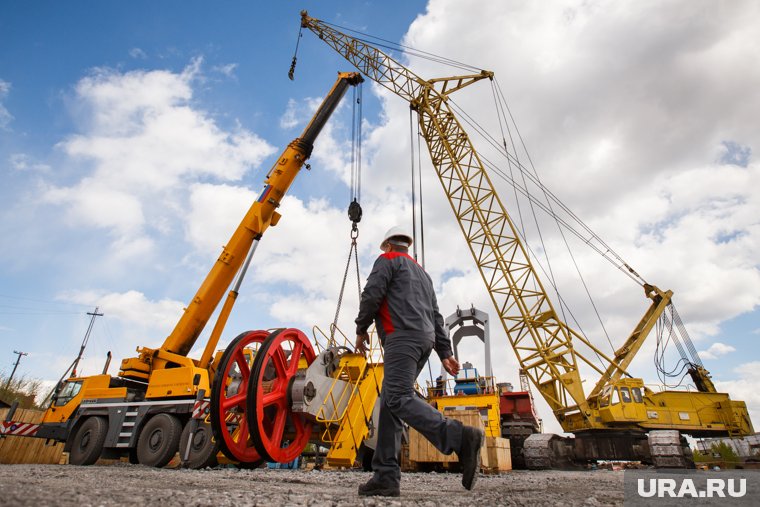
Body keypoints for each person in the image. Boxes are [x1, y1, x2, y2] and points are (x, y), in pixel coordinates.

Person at [354, 225, 484, 497]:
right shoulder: (423, 275)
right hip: (423, 341)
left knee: (399, 398)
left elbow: (372, 295)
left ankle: (460, 437)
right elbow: (436, 316)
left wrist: (360, 329)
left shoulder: (387, 261)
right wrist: (445, 352)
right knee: (391, 404)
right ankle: (386, 477)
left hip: (401, 338)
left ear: (388, 245)